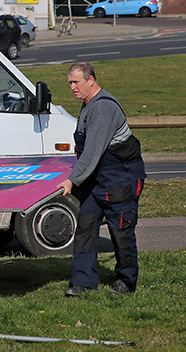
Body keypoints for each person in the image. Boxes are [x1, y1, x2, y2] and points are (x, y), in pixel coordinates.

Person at [57, 62, 145, 297]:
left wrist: (71, 180)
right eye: (70, 83)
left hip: (120, 177)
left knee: (121, 230)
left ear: (91, 80)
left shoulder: (103, 108)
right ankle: (83, 282)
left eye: (76, 82)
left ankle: (126, 281)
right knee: (85, 227)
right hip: (96, 178)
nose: (72, 87)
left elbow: (93, 151)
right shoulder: (88, 105)